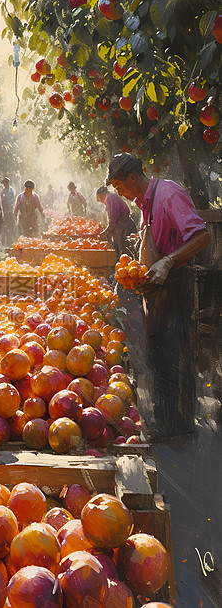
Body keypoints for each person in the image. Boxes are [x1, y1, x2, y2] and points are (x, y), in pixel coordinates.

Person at [107, 153, 210, 440]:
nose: (119, 193)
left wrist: (167, 262)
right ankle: (167, 423)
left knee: (175, 353)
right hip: (161, 287)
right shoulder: (145, 203)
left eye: (118, 186)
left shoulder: (168, 194)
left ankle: (179, 427)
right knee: (161, 354)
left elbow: (201, 237)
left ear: (131, 177)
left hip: (177, 282)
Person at [96, 185, 136, 256]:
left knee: (125, 252)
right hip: (124, 225)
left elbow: (113, 221)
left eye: (99, 199)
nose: (101, 202)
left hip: (124, 226)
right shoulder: (111, 197)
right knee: (125, 251)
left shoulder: (110, 198)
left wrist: (105, 232)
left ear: (102, 195)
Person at [0, 177, 16, 248]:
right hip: (4, 211)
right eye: (4, 183)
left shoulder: (11, 190)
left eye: (6, 183)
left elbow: (13, 200)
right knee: (5, 227)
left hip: (10, 210)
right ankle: (5, 243)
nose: (5, 184)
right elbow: (1, 200)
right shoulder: (2, 191)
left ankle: (11, 241)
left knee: (11, 226)